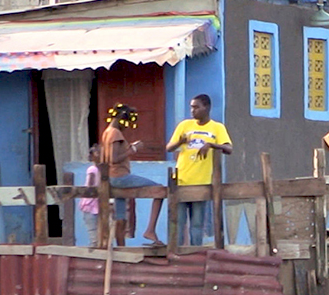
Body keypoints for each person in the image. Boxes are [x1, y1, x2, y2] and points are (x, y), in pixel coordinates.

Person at [166, 94, 233, 246]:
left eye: (196, 107)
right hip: (181, 180)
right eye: (191, 107)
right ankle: (177, 254)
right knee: (178, 221)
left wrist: (211, 145)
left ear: (207, 107)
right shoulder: (184, 126)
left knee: (197, 224)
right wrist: (180, 141)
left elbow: (229, 148)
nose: (192, 110)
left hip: (201, 183)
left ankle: (195, 253)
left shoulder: (217, 127)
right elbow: (169, 147)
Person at [99, 103, 159, 247]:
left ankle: (121, 247)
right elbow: (114, 159)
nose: (127, 127)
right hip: (120, 177)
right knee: (159, 190)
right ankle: (150, 230)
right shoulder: (115, 133)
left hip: (113, 177)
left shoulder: (107, 132)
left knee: (121, 216)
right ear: (122, 119)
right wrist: (133, 148)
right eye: (127, 124)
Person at [78, 145, 101, 247]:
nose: (100, 154)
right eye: (97, 153)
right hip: (90, 201)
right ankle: (94, 243)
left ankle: (97, 243)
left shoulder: (104, 168)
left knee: (101, 226)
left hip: (98, 201)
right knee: (92, 227)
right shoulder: (93, 169)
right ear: (92, 156)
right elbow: (90, 184)